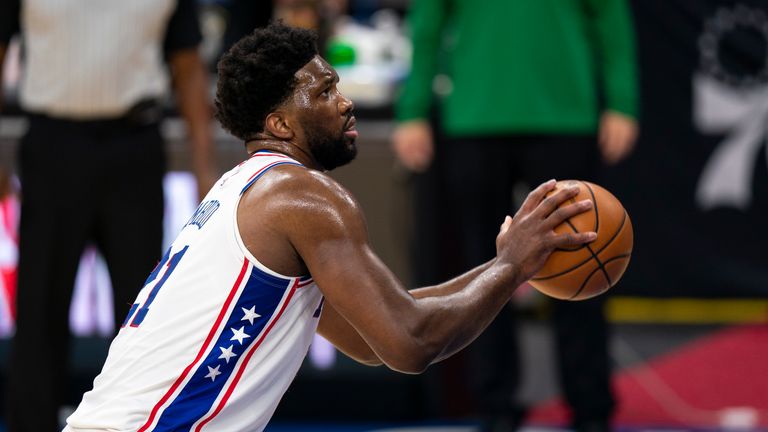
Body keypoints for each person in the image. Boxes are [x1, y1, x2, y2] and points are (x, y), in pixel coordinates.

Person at [63, 22, 597, 432]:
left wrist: (501, 262)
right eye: (321, 93)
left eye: (336, 85)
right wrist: (513, 265)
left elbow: (375, 338)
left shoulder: (244, 188)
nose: (344, 102)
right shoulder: (305, 197)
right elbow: (409, 342)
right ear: (279, 125)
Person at [392, 1, 639, 431]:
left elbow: (610, 17)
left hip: (564, 111)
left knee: (584, 261)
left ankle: (591, 409)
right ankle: (494, 408)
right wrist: (413, 107)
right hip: (477, 112)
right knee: (484, 272)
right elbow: (428, 20)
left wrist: (622, 100)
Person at [0, 0, 217, 430]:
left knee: (141, 313)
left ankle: (140, 425)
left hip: (134, 146)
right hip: (52, 144)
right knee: (39, 310)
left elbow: (188, 64)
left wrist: (204, 166)